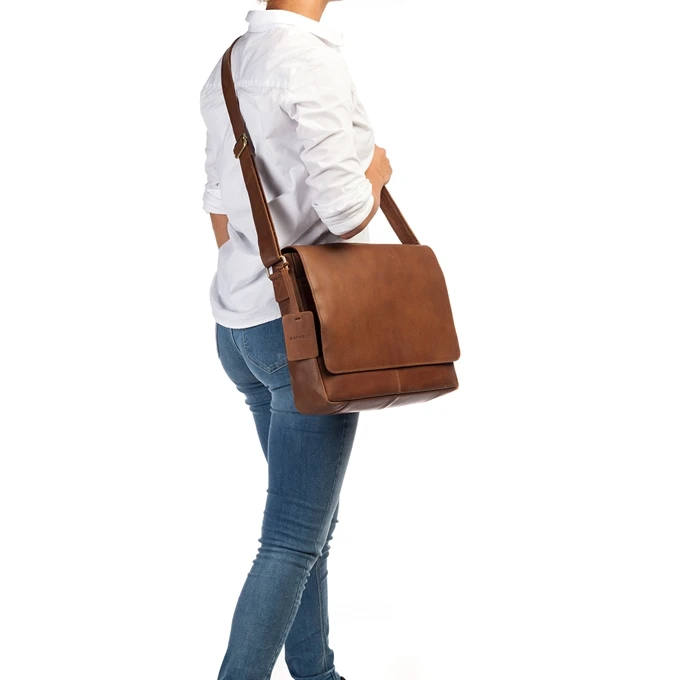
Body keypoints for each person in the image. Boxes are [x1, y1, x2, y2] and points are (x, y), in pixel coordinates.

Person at [199, 1, 392, 678]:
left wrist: (260, 285)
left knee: (308, 527)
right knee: (289, 541)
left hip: (241, 327)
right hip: (304, 335)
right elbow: (347, 211)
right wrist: (377, 172)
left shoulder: (230, 64)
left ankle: (316, 673)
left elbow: (218, 206)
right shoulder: (310, 60)